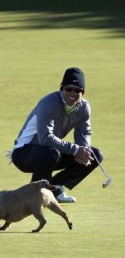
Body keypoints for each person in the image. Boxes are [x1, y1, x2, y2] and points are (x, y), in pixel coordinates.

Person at [8, 67, 103, 203]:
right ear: (61, 88)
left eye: (77, 90)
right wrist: (76, 150)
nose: (72, 93)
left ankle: (54, 187)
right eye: (69, 89)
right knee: (51, 153)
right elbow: (45, 138)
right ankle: (33, 195)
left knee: (94, 155)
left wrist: (84, 149)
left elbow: (84, 132)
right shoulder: (49, 103)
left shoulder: (84, 107)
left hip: (50, 152)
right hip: (24, 153)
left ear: (83, 92)